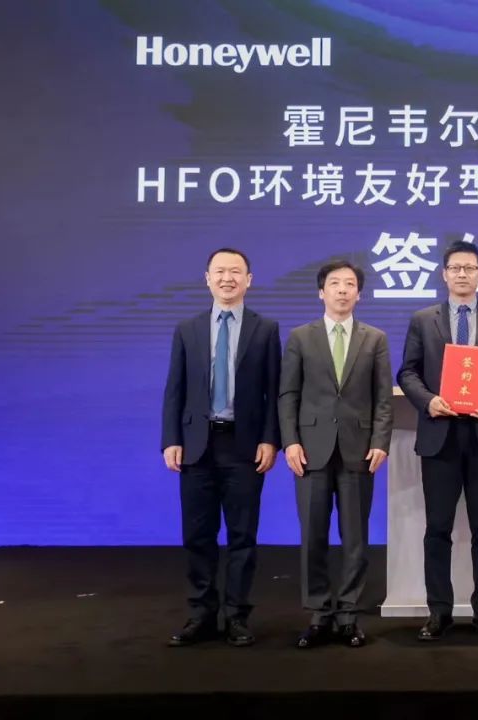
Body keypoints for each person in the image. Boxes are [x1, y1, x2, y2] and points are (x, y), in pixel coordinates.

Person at [396, 240, 478, 641]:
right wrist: (428, 401)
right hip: (440, 437)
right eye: (456, 268)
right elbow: (408, 372)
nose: (463, 274)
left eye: (470, 268)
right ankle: (439, 612)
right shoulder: (423, 319)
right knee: (438, 528)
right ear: (444, 274)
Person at [160, 248, 281, 647]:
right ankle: (201, 614)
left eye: (235, 272)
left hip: (244, 446)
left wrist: (270, 439)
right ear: (207, 278)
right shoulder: (188, 329)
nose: (227, 278)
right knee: (198, 535)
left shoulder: (266, 329)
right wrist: (171, 439)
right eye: (220, 271)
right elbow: (174, 389)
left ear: (249, 280)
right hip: (197, 445)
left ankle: (237, 616)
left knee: (242, 536)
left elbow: (274, 391)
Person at [278, 260, 393, 649]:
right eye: (334, 283)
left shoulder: (375, 338)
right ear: (321, 292)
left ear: (359, 294)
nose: (342, 290)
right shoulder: (300, 337)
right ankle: (318, 613)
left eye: (350, 284)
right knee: (313, 534)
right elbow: (288, 394)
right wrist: (290, 441)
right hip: (310, 450)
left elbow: (382, 398)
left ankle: (348, 614)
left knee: (355, 537)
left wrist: (380, 441)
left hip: (359, 450)